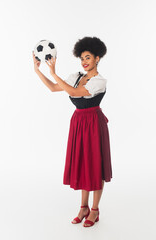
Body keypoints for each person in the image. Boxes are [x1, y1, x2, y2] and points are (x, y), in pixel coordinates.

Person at [32, 36, 112, 227]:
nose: (84, 62)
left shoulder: (99, 81)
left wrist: (54, 72)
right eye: (82, 58)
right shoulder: (75, 77)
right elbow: (53, 88)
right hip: (78, 122)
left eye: (88, 58)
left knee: (95, 165)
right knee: (84, 164)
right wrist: (38, 71)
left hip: (94, 122)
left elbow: (75, 93)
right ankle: (83, 207)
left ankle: (94, 210)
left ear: (97, 58)